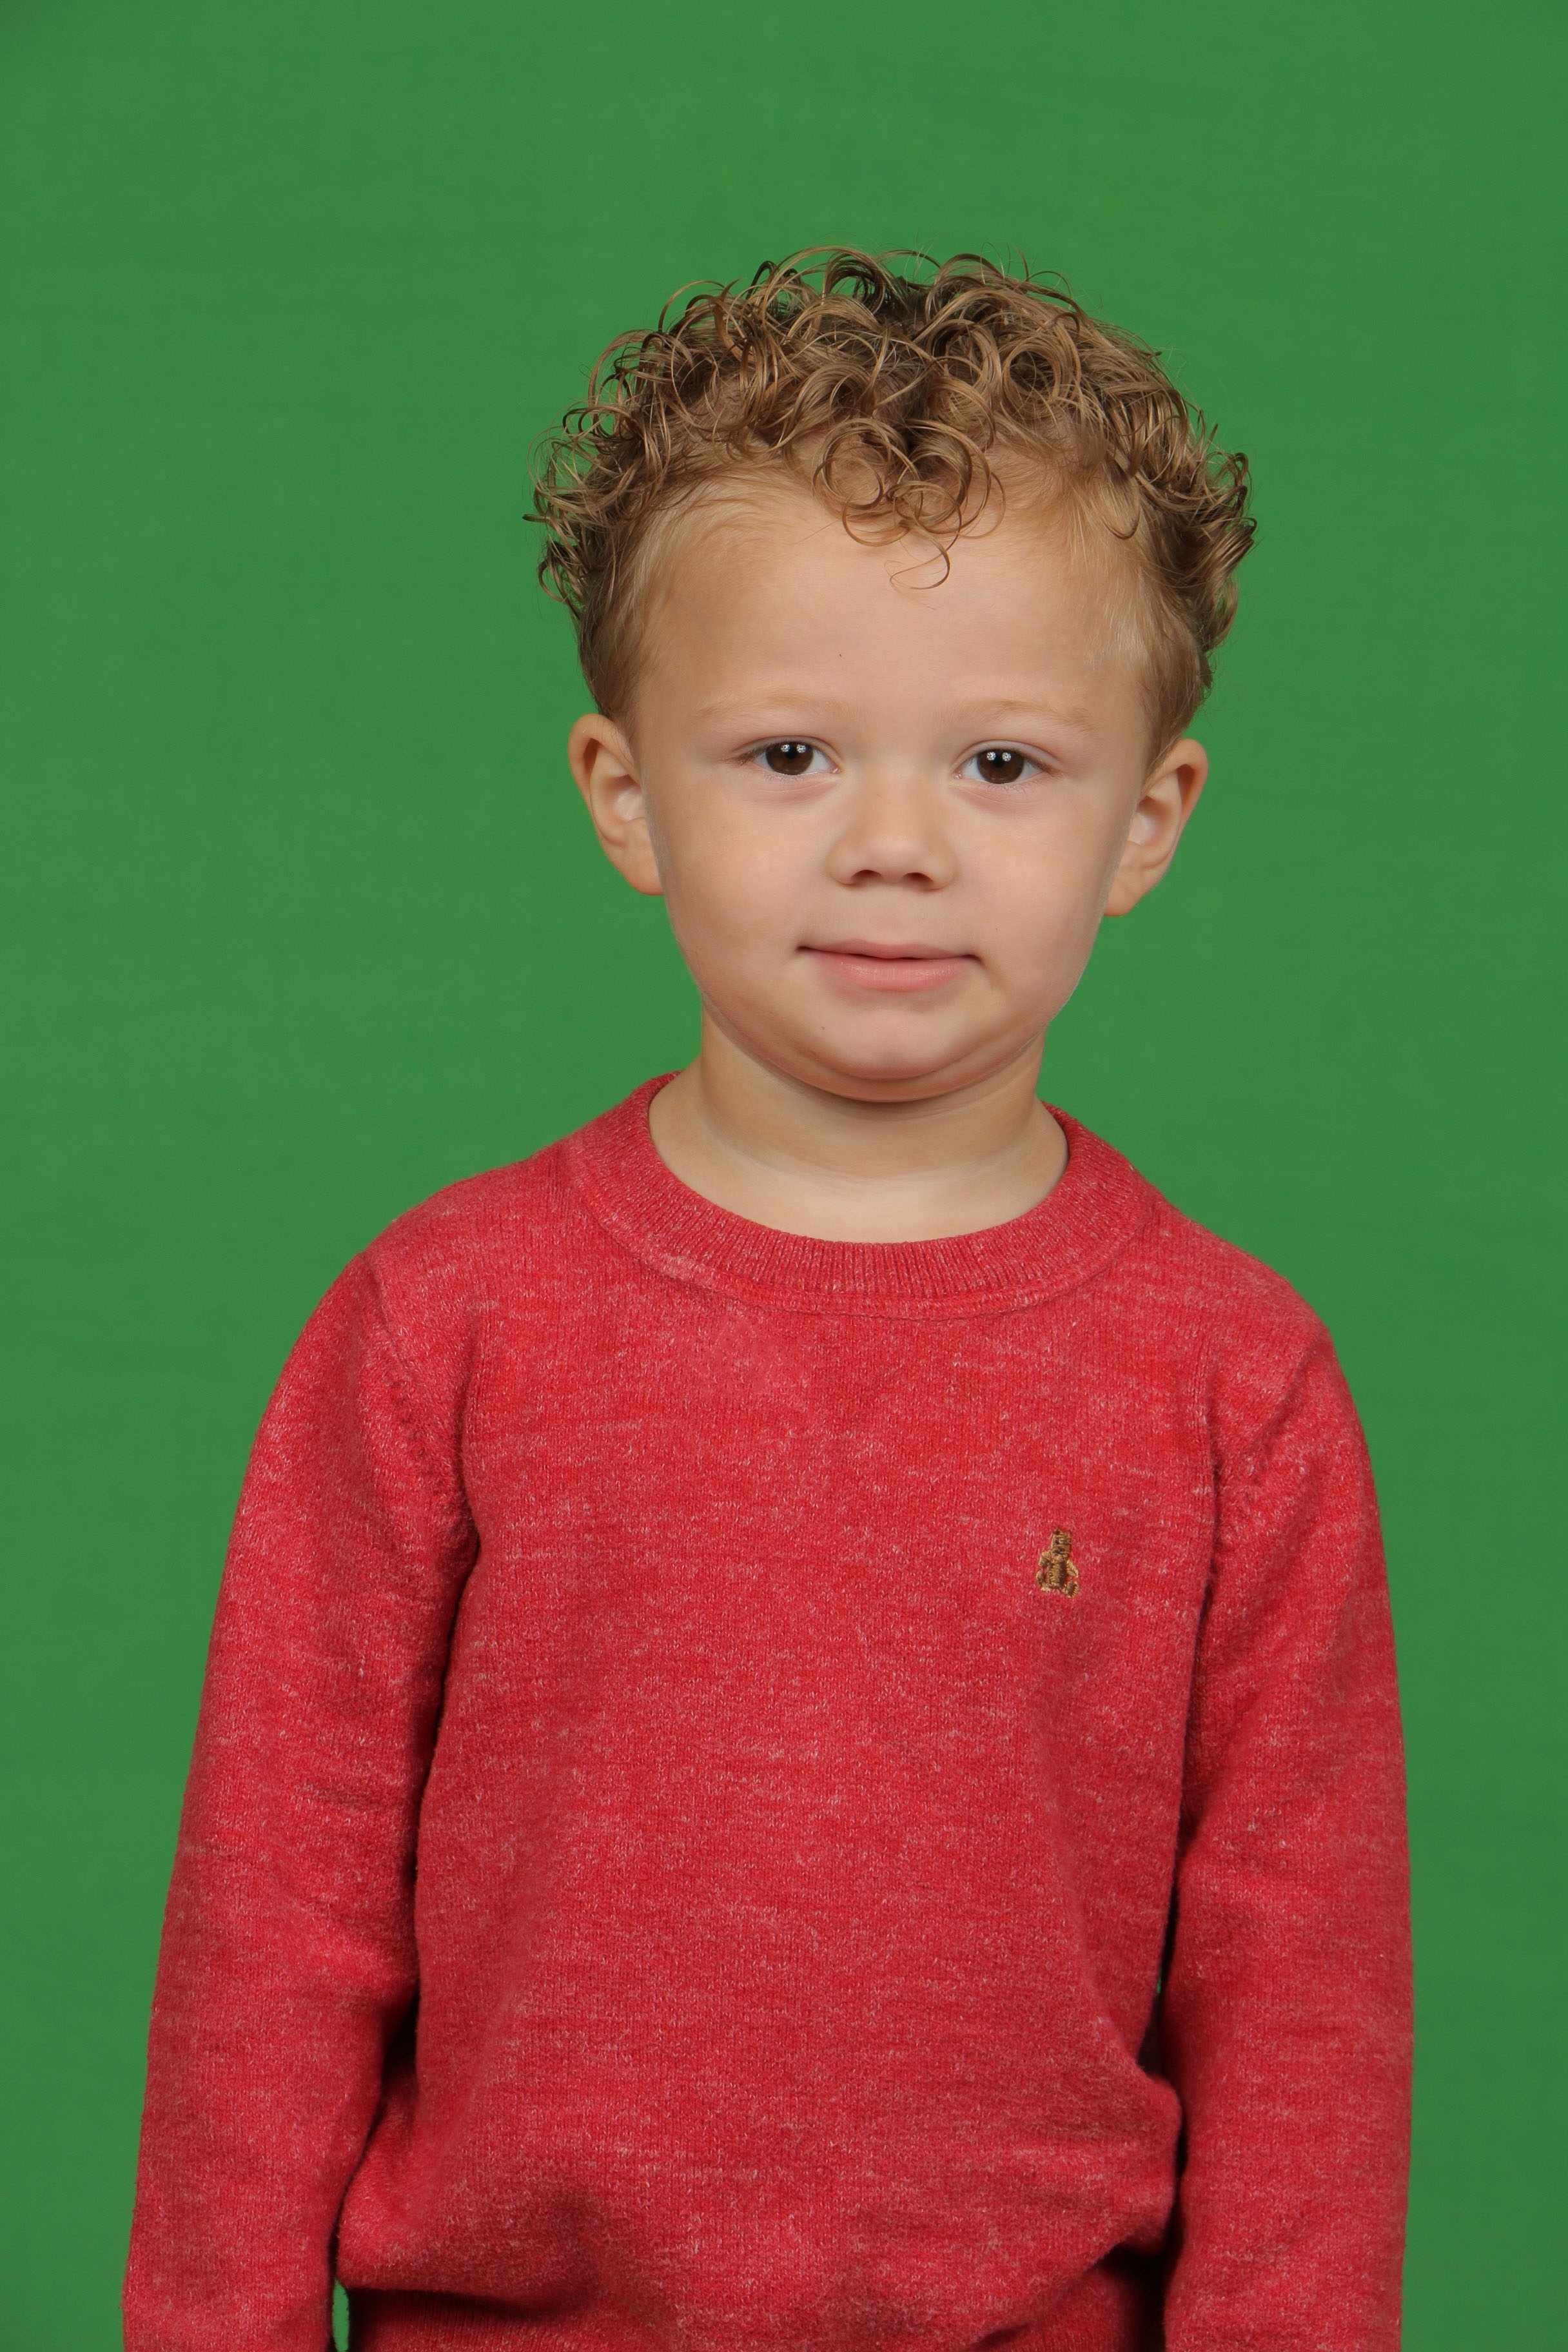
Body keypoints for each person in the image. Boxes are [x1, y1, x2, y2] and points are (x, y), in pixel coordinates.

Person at [124, 251, 1411, 2351]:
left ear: (1148, 819)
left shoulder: (1234, 1382)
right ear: (627, 795)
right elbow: (276, 1930)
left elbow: (1304, 2009)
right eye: (791, 751)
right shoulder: (442, 1326)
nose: (895, 844)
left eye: (1005, 766)